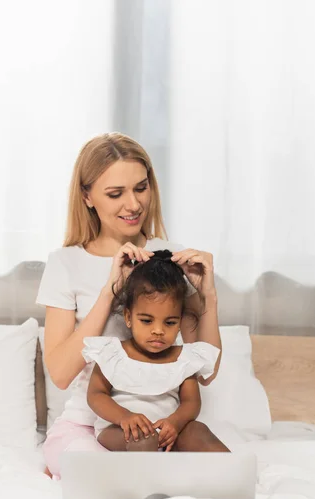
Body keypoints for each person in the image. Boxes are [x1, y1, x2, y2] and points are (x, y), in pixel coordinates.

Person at [37, 132, 224, 477]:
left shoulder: (169, 256)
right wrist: (110, 290)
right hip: (88, 425)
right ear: (87, 196)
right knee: (104, 473)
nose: (134, 205)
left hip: (161, 425)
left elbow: (207, 371)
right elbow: (62, 374)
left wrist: (207, 296)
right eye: (115, 193)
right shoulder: (65, 263)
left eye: (141, 188)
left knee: (215, 467)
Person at [83, 250, 229, 453]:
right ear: (128, 317)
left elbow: (191, 401)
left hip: (168, 430)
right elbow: (96, 395)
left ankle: (234, 477)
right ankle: (153, 482)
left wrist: (175, 423)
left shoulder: (184, 358)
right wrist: (124, 416)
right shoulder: (113, 352)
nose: (158, 330)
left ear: (179, 321)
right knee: (142, 439)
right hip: (118, 430)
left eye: (170, 322)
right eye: (146, 320)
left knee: (198, 430)